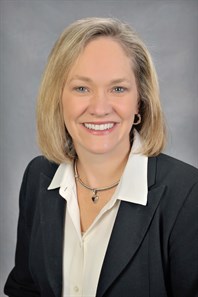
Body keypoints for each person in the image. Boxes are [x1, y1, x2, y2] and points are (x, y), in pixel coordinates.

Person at [4, 17, 198, 297]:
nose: (99, 108)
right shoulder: (38, 176)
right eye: (82, 88)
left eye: (118, 88)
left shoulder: (188, 195)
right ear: (58, 97)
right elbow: (25, 289)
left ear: (139, 101)